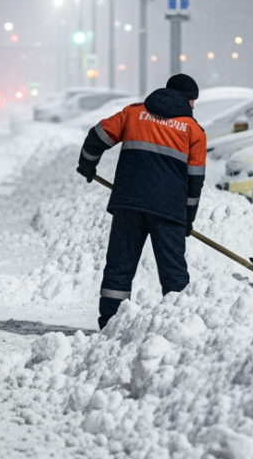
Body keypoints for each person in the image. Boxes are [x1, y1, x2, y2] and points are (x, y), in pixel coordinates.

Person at [76, 74, 206, 329]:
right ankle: (177, 327)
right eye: (193, 101)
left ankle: (110, 326)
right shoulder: (194, 131)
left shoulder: (133, 114)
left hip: (129, 204)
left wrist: (87, 165)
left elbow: (97, 136)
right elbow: (195, 183)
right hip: (169, 211)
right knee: (173, 273)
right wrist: (187, 219)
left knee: (119, 267)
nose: (193, 107)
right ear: (188, 100)